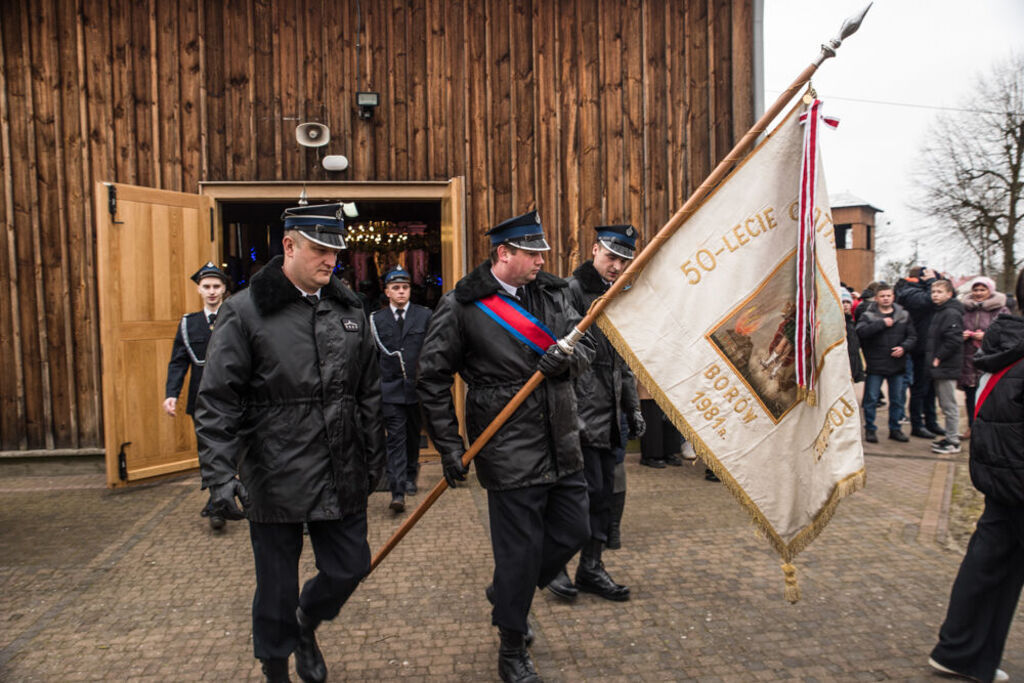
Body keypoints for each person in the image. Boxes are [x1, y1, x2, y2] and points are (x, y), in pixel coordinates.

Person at [194, 203, 385, 683]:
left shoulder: (350, 308)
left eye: (337, 252)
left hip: (340, 467)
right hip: (273, 471)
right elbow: (217, 401)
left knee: (350, 567)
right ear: (289, 246)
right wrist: (219, 475)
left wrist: (375, 458)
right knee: (275, 588)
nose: (331, 261)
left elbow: (367, 389)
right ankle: (275, 667)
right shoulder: (244, 312)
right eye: (321, 250)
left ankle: (306, 622)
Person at [417, 210, 594, 683]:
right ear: (504, 254)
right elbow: (432, 377)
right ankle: (512, 644)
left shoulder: (557, 294)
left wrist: (568, 363)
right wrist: (449, 446)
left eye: (542, 253)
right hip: (506, 443)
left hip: (562, 437)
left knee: (574, 531)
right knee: (518, 554)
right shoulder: (464, 304)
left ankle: (506, 593)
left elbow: (590, 347)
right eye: (532, 253)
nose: (541, 261)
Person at [928, 268, 1024, 683]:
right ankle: (962, 652)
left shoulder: (1007, 342)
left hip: (1005, 474)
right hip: (1014, 475)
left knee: (993, 566)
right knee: (993, 565)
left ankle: (963, 651)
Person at [545, 225, 644, 603]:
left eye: (624, 260)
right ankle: (553, 565)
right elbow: (561, 356)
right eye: (611, 257)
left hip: (610, 414)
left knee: (604, 497)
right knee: (572, 499)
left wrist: (632, 407)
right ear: (594, 251)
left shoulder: (618, 297)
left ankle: (591, 567)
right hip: (576, 415)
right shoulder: (569, 291)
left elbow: (622, 361)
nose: (616, 266)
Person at [162, 261, 231, 530]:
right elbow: (178, 361)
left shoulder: (234, 317)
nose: (212, 291)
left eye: (216, 286)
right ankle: (217, 503)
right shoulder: (188, 324)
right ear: (199, 290)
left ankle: (224, 496)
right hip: (201, 399)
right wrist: (172, 394)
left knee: (232, 450)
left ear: (224, 289)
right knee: (208, 452)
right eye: (206, 287)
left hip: (232, 397)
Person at [370, 267, 432, 513]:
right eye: (395, 288)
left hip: (415, 387)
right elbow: (372, 357)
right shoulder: (376, 320)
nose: (401, 292)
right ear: (386, 292)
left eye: (405, 287)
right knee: (395, 438)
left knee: (413, 434)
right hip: (390, 389)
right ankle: (397, 491)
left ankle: (410, 474)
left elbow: (430, 350)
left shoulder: (424, 316)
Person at [855, 282, 915, 443]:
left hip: (897, 365)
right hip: (875, 364)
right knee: (871, 399)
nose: (886, 298)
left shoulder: (903, 315)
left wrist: (904, 347)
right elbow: (860, 332)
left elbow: (912, 337)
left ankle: (895, 429)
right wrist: (881, 324)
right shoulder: (868, 315)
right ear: (876, 298)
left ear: (893, 297)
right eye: (882, 296)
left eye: (888, 295)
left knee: (896, 400)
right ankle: (870, 429)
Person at [958, 276, 1010, 438]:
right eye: (975, 290)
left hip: (990, 359)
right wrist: (961, 335)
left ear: (990, 291)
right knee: (970, 395)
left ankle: (989, 429)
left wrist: (987, 336)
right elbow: (953, 329)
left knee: (990, 395)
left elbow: (1007, 334)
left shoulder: (1001, 310)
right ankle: (971, 427)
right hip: (968, 358)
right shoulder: (964, 309)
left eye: (982, 290)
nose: (978, 293)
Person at [896, 266, 944, 439]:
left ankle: (931, 422)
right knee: (920, 388)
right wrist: (931, 282)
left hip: (931, 346)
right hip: (920, 347)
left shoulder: (920, 289)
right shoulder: (908, 292)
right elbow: (928, 301)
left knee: (931, 388)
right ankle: (917, 424)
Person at [926, 278, 965, 455]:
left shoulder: (950, 313)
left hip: (945, 365)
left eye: (939, 292)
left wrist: (938, 357)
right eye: (933, 292)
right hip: (941, 366)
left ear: (949, 294)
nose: (935, 295)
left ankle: (953, 441)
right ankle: (950, 436)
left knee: (949, 405)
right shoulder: (940, 311)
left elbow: (954, 339)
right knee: (945, 404)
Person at [841, 288, 865, 385]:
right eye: (843, 302)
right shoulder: (839, 322)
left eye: (848, 302)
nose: (846, 305)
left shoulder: (851, 321)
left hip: (853, 360)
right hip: (843, 362)